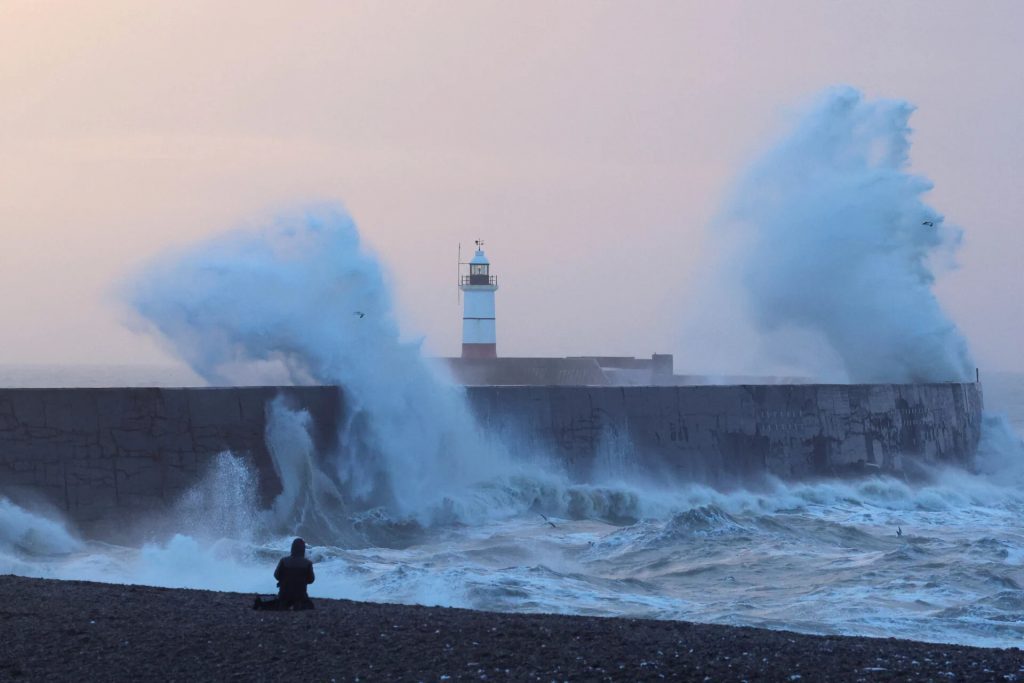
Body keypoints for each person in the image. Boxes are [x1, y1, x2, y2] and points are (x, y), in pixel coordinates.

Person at [253, 538, 315, 611]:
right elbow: (311, 580)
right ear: (303, 550)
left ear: (292, 548)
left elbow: (276, 575)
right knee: (310, 605)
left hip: (284, 595)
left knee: (278, 602)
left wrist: (285, 579)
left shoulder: (284, 560)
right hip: (301, 596)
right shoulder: (308, 563)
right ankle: (295, 605)